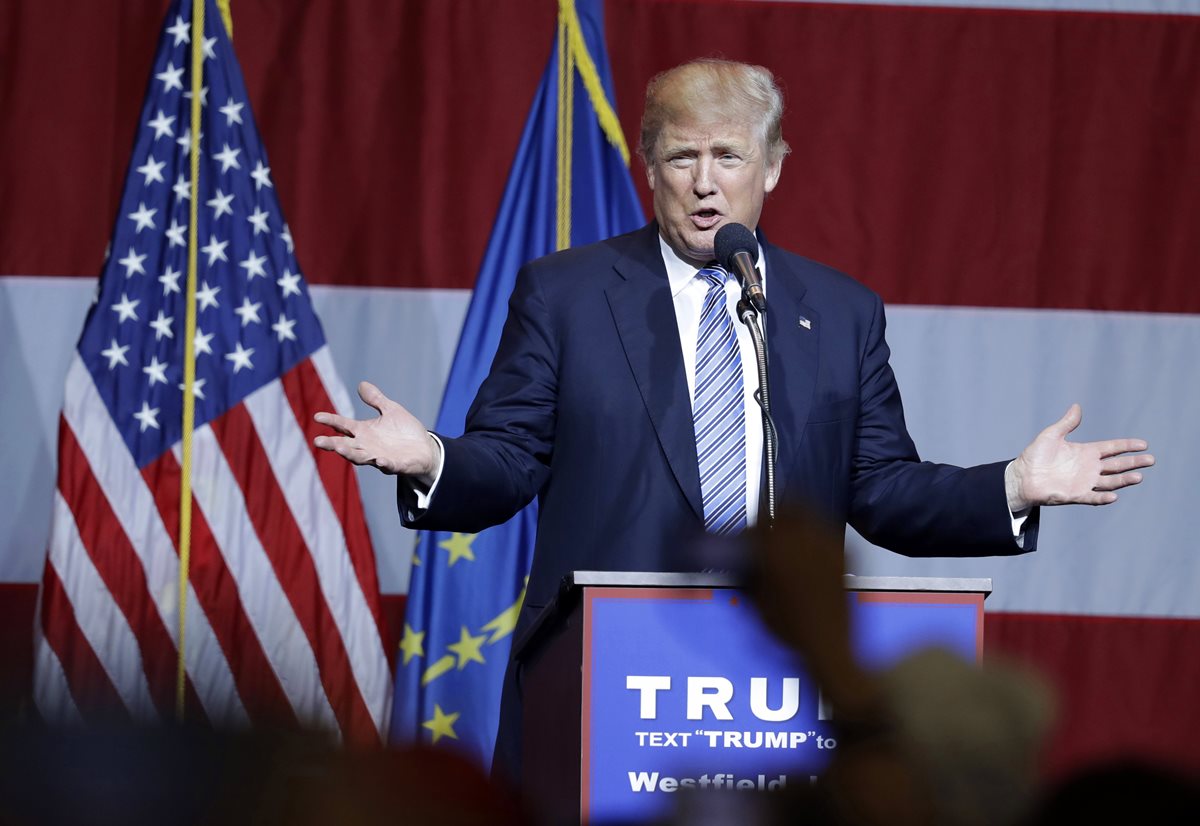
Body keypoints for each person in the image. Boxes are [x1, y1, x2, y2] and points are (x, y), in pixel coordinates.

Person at [313, 60, 1153, 780]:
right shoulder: (566, 296)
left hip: (778, 686)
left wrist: (1011, 485)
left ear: (773, 166)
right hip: (605, 679)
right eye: (682, 156)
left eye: (727, 155)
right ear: (650, 166)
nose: (705, 180)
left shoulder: (839, 311)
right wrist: (431, 458)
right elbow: (510, 458)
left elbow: (882, 488)